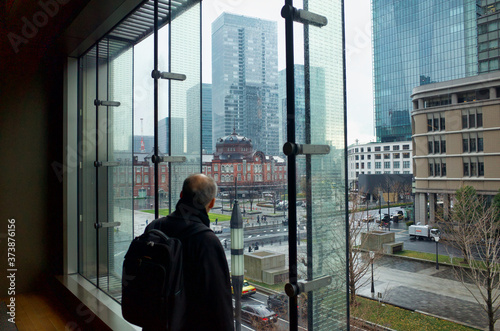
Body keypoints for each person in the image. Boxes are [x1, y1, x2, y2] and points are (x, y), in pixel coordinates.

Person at [144, 174, 234, 331]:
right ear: (212, 202)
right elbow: (220, 303)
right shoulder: (207, 240)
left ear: (181, 195)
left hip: (154, 324)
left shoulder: (154, 227)